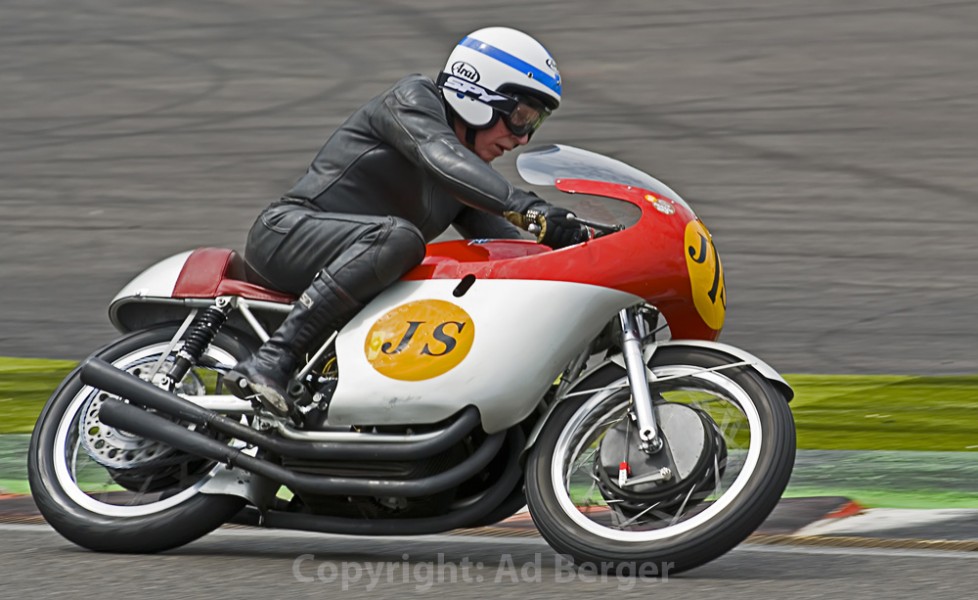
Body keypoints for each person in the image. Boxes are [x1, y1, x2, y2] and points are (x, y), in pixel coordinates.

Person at [226, 26, 587, 417]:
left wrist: (583, 249)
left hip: (346, 258)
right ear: (477, 93)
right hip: (286, 235)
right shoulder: (412, 100)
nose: (522, 139)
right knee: (401, 238)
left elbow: (510, 256)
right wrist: (530, 208)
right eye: (520, 117)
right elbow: (440, 156)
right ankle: (273, 358)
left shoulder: (465, 178)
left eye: (534, 124)